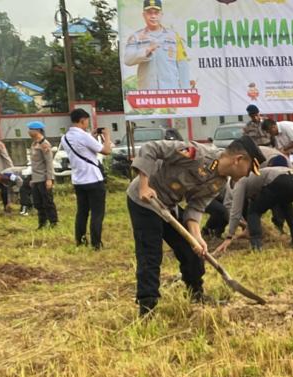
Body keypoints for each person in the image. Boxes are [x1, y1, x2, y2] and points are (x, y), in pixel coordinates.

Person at [126, 136, 263, 316]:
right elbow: (151, 147)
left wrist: (197, 237)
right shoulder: (195, 154)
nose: (247, 175)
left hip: (167, 205)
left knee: (191, 251)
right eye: (249, 169)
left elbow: (196, 207)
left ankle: (196, 294)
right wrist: (144, 185)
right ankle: (147, 306)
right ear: (238, 160)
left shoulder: (219, 182)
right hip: (143, 201)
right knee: (150, 253)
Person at [216, 167, 293, 251]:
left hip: (280, 180)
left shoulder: (239, 182)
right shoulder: (255, 177)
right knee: (286, 205)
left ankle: (256, 245)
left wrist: (229, 236)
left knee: (253, 211)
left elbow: (236, 212)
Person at [61, 108, 112, 249]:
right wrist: (107, 136)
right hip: (93, 179)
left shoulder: (64, 138)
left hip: (78, 180)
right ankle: (96, 244)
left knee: (82, 212)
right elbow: (106, 151)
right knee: (97, 213)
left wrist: (91, 136)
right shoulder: (84, 136)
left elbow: (82, 149)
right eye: (86, 121)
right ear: (82, 120)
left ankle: (80, 241)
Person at [122, 0, 193, 91]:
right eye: (149, 13)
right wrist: (146, 51)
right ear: (144, 15)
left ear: (161, 15)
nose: (153, 16)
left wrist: (185, 90)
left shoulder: (174, 36)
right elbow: (128, 60)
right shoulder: (136, 37)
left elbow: (182, 64)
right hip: (148, 93)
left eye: (156, 13)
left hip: (171, 92)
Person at [26, 122, 58, 230]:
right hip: (36, 178)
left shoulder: (44, 144)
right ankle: (42, 223)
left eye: (31, 129)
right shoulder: (34, 144)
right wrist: (32, 178)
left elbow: (49, 162)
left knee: (47, 202)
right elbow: (35, 164)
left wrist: (49, 179)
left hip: (44, 178)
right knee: (38, 203)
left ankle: (53, 222)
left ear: (38, 131)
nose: (29, 131)